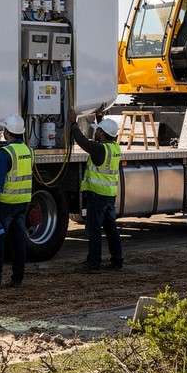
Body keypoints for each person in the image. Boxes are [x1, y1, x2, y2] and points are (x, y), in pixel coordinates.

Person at [0, 113, 33, 290]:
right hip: (23, 202)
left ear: (6, 132)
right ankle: (17, 279)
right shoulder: (28, 150)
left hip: (6, 204)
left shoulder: (5, 152)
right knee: (19, 242)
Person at [69, 107, 123, 273]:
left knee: (94, 231)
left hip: (97, 196)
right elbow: (104, 134)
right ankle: (117, 262)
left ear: (101, 133)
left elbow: (83, 142)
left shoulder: (99, 149)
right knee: (111, 230)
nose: (95, 132)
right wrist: (100, 116)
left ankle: (94, 264)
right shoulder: (114, 148)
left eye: (98, 130)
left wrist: (73, 124)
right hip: (109, 196)